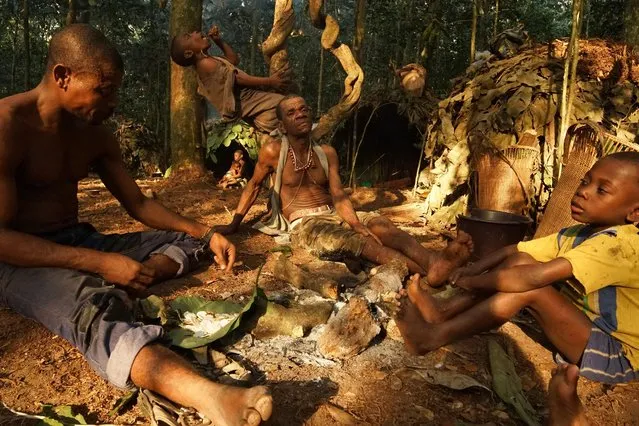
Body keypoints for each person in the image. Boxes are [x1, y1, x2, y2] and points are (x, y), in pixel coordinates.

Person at [0, 24, 271, 426]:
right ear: (62, 77)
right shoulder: (7, 124)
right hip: (18, 260)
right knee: (90, 306)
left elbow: (140, 203)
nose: (112, 103)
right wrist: (98, 264)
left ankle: (142, 274)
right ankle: (209, 395)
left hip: (76, 239)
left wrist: (206, 232)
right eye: (103, 90)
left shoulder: (94, 134)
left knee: (188, 240)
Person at [396, 152, 639, 386]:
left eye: (602, 190)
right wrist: (474, 269)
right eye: (585, 181)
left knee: (532, 289)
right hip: (586, 329)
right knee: (522, 260)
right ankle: (443, 311)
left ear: (635, 212)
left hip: (616, 355)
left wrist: (472, 282)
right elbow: (516, 250)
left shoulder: (619, 246)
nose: (584, 192)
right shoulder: (578, 233)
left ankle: (431, 338)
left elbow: (535, 278)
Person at [214, 94, 473, 285]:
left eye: (303, 109)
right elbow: (254, 185)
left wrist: (356, 222)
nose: (300, 114)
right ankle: (431, 273)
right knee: (360, 244)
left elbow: (338, 195)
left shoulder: (327, 153)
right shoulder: (273, 151)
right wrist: (235, 223)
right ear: (282, 126)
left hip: (334, 211)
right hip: (305, 223)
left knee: (383, 227)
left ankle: (434, 262)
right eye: (291, 113)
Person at [170, 25, 290, 138]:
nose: (195, 32)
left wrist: (219, 41)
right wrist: (270, 81)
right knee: (286, 105)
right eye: (188, 36)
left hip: (251, 101)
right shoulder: (204, 64)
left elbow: (233, 59)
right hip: (246, 101)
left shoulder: (210, 59)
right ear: (188, 53)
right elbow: (237, 78)